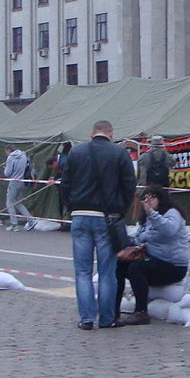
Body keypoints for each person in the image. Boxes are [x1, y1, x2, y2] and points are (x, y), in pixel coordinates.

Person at [61, 120, 135, 330]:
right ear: (110, 133)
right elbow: (129, 185)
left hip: (80, 215)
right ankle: (107, 318)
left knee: (82, 271)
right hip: (107, 217)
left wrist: (71, 206)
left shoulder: (76, 152)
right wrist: (120, 210)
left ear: (91, 133)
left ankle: (86, 319)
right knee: (107, 271)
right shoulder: (120, 153)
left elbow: (65, 183)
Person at [115, 183, 190, 325]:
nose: (148, 201)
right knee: (120, 265)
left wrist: (152, 213)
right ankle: (113, 309)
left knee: (137, 268)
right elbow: (141, 237)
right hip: (154, 260)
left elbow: (169, 230)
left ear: (161, 198)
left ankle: (141, 312)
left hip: (173, 265)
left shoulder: (172, 213)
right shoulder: (147, 218)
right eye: (145, 198)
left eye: (152, 197)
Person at [4, 144, 35, 231]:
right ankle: (31, 220)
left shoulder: (10, 157)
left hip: (14, 181)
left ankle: (14, 225)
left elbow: (7, 173)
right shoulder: (23, 155)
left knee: (9, 203)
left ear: (8, 150)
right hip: (22, 181)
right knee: (18, 202)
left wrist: (5, 169)